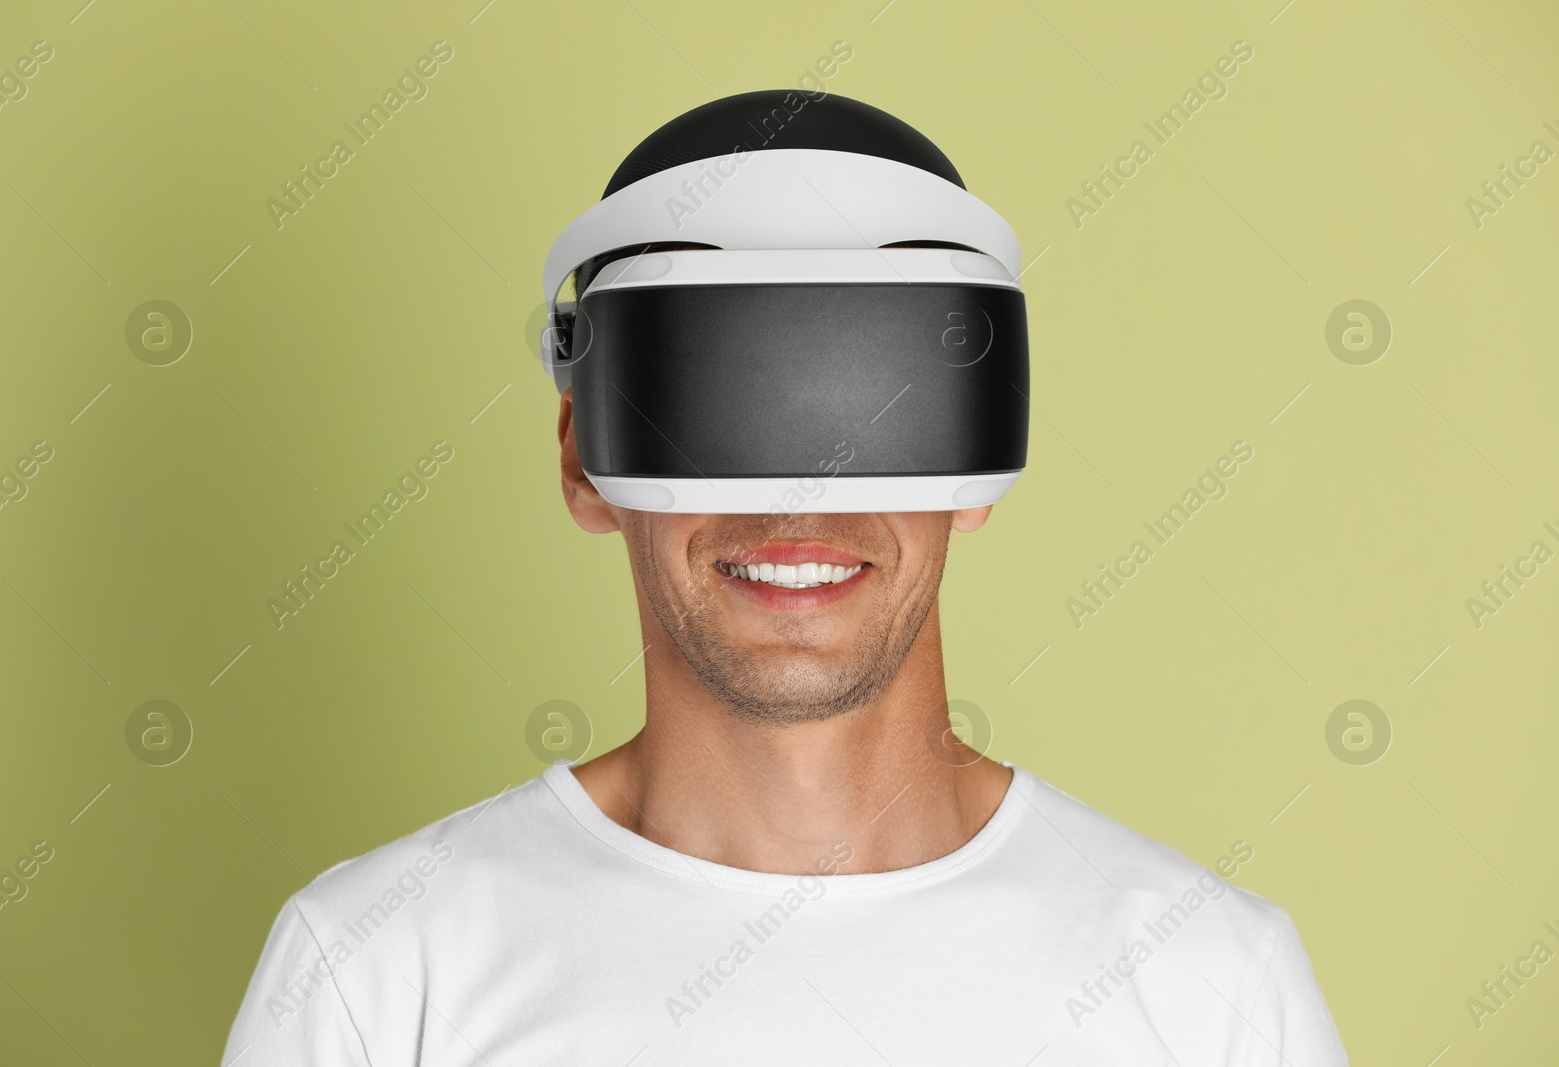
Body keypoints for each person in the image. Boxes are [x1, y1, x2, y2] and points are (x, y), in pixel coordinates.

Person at [223, 91, 1348, 1066]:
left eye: (881, 393)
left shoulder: (1210, 985)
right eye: (712, 389)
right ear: (584, 460)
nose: (798, 497)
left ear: (977, 456)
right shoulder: (376, 970)